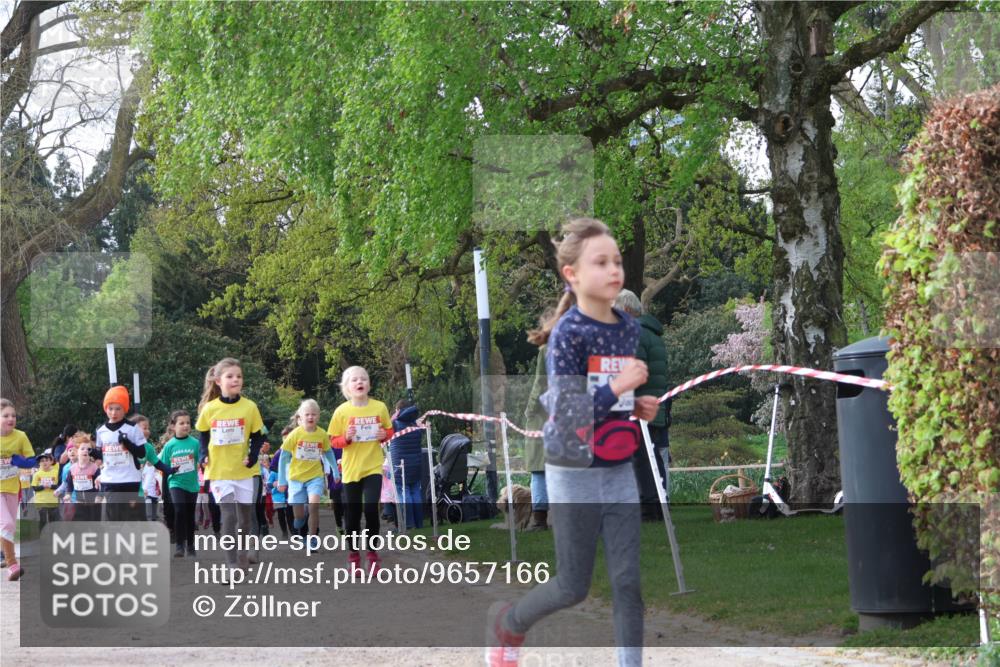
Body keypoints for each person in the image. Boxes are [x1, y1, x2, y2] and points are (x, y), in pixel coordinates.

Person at [485, 218, 658, 667]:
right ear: (573, 275)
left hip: (618, 467)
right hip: (572, 467)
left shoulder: (627, 328)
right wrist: (619, 388)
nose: (614, 269)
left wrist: (635, 405)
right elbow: (571, 416)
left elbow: (609, 393)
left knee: (627, 583)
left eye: (617, 260)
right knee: (573, 585)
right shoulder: (567, 335)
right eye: (600, 262)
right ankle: (510, 624)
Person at [196, 358, 265, 572]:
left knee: (244, 520)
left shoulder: (250, 407)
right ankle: (231, 563)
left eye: (239, 376)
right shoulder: (210, 409)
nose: (235, 379)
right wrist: (202, 455)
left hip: (244, 471)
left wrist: (253, 456)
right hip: (219, 471)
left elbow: (258, 436)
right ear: (218, 381)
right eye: (230, 376)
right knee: (228, 515)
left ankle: (242, 554)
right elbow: (203, 436)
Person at [328, 366, 394, 574]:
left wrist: (384, 434)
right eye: (354, 380)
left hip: (373, 465)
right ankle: (353, 555)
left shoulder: (379, 407)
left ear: (369, 384)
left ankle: (373, 555)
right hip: (351, 469)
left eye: (363, 379)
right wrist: (346, 437)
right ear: (347, 387)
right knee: (353, 514)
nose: (360, 382)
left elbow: (389, 431)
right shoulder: (342, 411)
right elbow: (333, 442)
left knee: (371, 509)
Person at [615, 289, 672, 519]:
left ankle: (648, 509)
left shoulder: (635, 333)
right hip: (655, 408)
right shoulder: (652, 334)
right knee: (653, 458)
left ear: (626, 311)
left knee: (642, 460)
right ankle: (658, 505)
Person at [277, 400, 339, 547]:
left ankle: (312, 538)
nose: (310, 417)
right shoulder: (295, 435)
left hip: (315, 477)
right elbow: (283, 457)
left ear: (318, 416)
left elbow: (329, 453)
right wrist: (281, 480)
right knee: (298, 516)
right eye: (307, 414)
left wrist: (335, 472)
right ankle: (300, 518)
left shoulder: (322, 434)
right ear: (300, 417)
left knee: (314, 506)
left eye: (314, 414)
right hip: (296, 478)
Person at [93, 386, 148, 521]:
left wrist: (127, 443)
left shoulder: (132, 428)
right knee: (114, 515)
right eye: (110, 408)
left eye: (118, 408)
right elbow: (101, 456)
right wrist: (93, 453)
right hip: (110, 480)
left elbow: (142, 453)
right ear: (106, 409)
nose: (114, 412)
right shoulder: (101, 431)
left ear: (125, 409)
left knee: (130, 515)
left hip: (130, 479)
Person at [1, 398, 34, 580]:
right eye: (5, 415)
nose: (11, 418)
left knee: (9, 527)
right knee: (6, 524)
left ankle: (10, 563)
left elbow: (32, 459)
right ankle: (12, 563)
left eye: (13, 415)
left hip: (12, 488)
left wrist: (21, 461)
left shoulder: (20, 436)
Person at [160, 410, 201, 558]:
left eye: (188, 423)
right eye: (181, 423)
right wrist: (165, 491)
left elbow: (201, 461)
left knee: (190, 515)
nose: (185, 426)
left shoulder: (195, 443)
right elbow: (163, 468)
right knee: (179, 510)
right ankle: (179, 545)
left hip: (192, 484)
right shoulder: (169, 446)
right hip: (175, 483)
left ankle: (190, 545)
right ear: (173, 426)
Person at [522, 345, 549, 531]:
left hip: (545, 417)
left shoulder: (547, 349)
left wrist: (529, 410)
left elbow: (540, 382)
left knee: (539, 470)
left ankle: (539, 519)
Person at [389, 399, 424, 529]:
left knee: (404, 493)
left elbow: (385, 431)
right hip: (416, 464)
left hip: (400, 465)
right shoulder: (416, 424)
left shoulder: (395, 424)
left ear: (398, 411)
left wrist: (392, 418)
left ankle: (408, 523)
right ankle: (419, 523)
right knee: (415, 491)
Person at [56, 433, 101, 522]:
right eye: (82, 448)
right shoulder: (72, 469)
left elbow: (100, 484)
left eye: (88, 449)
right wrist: (68, 494)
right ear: (77, 451)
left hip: (93, 503)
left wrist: (99, 495)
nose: (85, 451)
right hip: (78, 503)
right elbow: (69, 483)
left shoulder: (94, 468)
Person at [31, 452, 60, 533]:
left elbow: (59, 486)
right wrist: (43, 486)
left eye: (46, 460)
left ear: (51, 461)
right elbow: (34, 487)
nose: (44, 462)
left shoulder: (56, 472)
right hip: (41, 501)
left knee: (53, 520)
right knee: (43, 520)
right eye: (42, 461)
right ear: (39, 463)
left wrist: (51, 486)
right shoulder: (37, 474)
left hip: (52, 500)